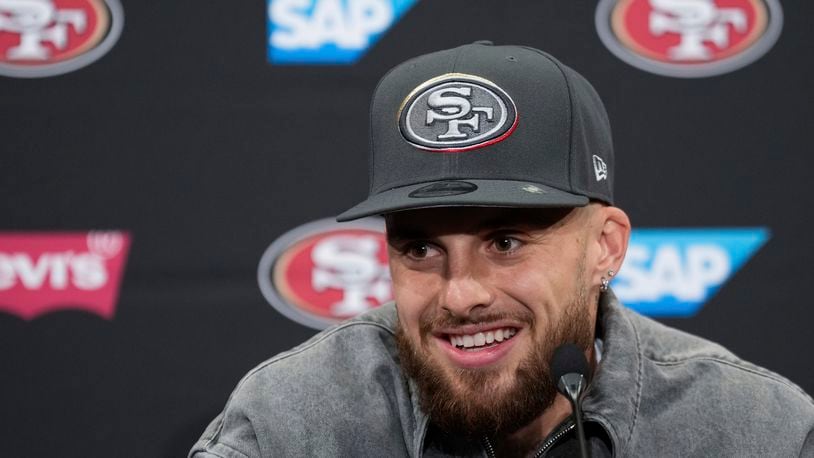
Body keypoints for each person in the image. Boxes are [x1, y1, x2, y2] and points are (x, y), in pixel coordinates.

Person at [190, 42, 814, 457]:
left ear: (605, 247)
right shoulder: (291, 422)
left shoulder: (754, 430)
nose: (461, 294)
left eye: (506, 241)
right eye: (421, 249)